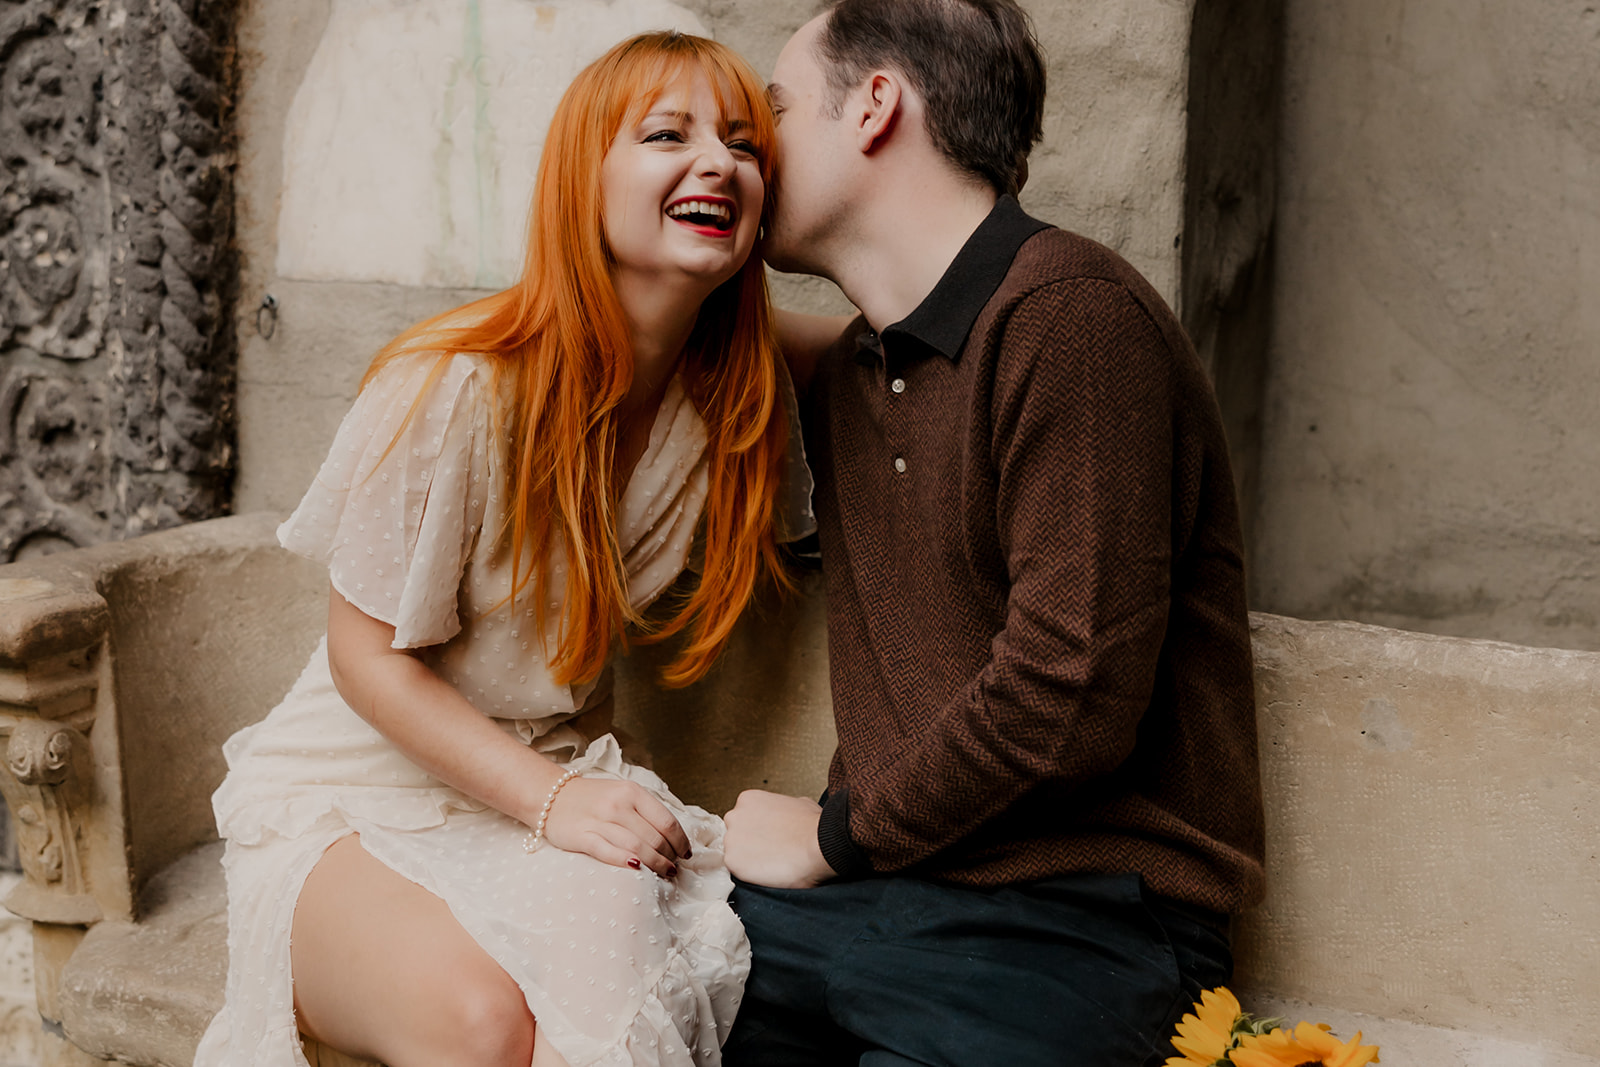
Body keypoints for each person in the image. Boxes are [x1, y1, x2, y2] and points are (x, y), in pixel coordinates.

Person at [195, 32, 811, 1067]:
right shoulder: (460, 385)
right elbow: (364, 657)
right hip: (348, 797)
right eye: (669, 134)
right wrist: (557, 801)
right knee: (486, 1025)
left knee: (614, 992)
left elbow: (902, 346)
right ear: (584, 180)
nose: (717, 161)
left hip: (543, 789)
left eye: (743, 145)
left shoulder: (731, 401)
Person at [722, 1, 1267, 1064]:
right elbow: (660, 318)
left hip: (1079, 920)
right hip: (881, 903)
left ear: (875, 105)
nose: (754, 146)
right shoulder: (862, 368)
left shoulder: (1070, 317)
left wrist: (831, 834)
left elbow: (1067, 694)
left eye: (775, 111)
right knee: (591, 987)